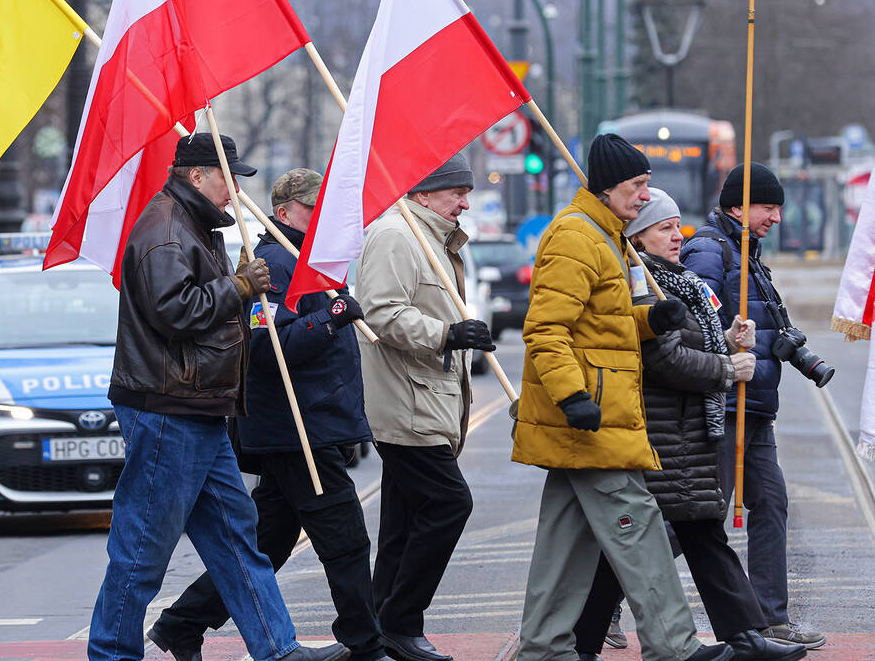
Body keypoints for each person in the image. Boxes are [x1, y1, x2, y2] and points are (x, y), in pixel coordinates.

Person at [90, 135, 347, 661]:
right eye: (228, 179)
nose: (234, 192)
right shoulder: (165, 229)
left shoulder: (192, 225)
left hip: (197, 406)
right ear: (197, 176)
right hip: (169, 408)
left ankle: (277, 647)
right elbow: (175, 313)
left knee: (236, 538)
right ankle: (112, 654)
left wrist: (236, 289)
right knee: (143, 548)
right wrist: (240, 287)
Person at [512, 133, 732, 661]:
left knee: (566, 540)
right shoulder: (577, 236)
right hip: (591, 415)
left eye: (646, 184)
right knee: (639, 524)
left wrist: (649, 322)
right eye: (637, 185)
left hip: (597, 410)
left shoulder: (604, 235)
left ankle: (543, 647)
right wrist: (571, 398)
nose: (643, 195)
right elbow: (546, 330)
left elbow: (599, 325)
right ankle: (674, 645)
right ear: (610, 186)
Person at [148, 168, 382, 661]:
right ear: (283, 213)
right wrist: (333, 316)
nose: (321, 216)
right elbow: (272, 346)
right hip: (295, 427)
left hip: (309, 422)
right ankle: (365, 642)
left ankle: (180, 623)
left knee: (266, 543)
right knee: (345, 538)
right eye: (311, 207)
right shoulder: (272, 262)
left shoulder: (311, 261)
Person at [571, 188, 807, 661]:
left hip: (687, 430)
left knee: (699, 532)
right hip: (659, 430)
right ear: (638, 235)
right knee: (641, 538)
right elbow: (664, 358)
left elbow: (689, 344)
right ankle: (581, 641)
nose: (678, 236)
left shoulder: (676, 280)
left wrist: (724, 339)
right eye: (664, 227)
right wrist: (725, 368)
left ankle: (745, 636)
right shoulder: (639, 283)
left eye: (677, 225)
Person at [354, 154, 495, 661]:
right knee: (448, 504)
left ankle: (374, 623)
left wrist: (459, 334)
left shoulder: (433, 239)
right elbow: (382, 313)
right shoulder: (397, 235)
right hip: (406, 404)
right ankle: (400, 620)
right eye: (456, 193)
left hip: (425, 401)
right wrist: (447, 334)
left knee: (402, 520)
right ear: (423, 194)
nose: (464, 203)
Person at [681, 164, 826, 650]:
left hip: (755, 409)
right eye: (768, 207)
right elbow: (696, 324)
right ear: (738, 207)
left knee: (771, 504)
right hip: (722, 408)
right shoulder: (708, 249)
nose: (777, 218)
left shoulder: (749, 254)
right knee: (695, 519)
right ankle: (605, 600)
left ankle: (769, 621)